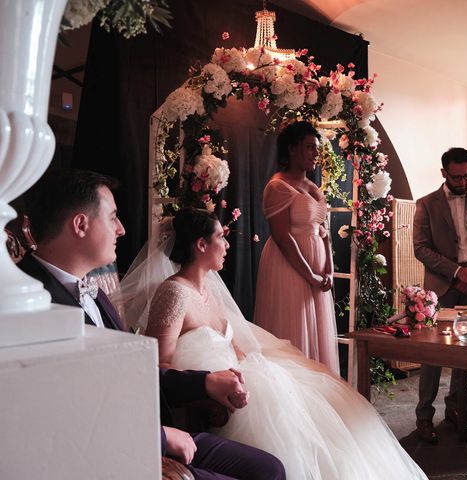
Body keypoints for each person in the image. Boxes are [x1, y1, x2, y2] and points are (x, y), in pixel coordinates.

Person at [19, 169, 286, 480]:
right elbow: (61, 409)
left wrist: (205, 381)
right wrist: (159, 436)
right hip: (108, 449)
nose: (121, 229)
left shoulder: (96, 294)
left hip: (150, 428)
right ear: (81, 224)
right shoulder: (30, 301)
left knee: (271, 468)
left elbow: (131, 371)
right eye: (113, 217)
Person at [139, 207, 428, 480]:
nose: (227, 246)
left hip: (239, 374)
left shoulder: (209, 290)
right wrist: (213, 382)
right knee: (292, 423)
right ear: (201, 245)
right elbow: (159, 364)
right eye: (221, 238)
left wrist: (253, 364)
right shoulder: (175, 293)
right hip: (217, 387)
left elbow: (229, 342)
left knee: (326, 406)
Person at [413, 147, 467, 443]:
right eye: (457, 176)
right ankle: (424, 416)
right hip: (443, 286)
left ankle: (456, 407)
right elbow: (421, 248)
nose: (463, 181)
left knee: (466, 352)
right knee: (433, 355)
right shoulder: (426, 204)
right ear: (444, 173)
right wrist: (456, 272)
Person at [253, 121, 339, 375]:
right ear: (292, 149)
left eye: (317, 148)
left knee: (317, 331)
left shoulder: (312, 186)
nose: (316, 153)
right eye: (310, 147)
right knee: (295, 327)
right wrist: (309, 274)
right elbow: (282, 237)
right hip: (290, 267)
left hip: (317, 269)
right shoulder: (278, 186)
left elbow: (323, 231)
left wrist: (329, 270)